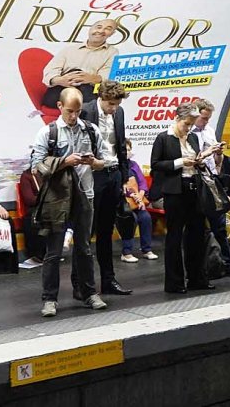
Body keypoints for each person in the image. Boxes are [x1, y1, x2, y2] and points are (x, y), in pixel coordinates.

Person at [29, 88, 111, 317]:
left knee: (84, 249)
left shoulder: (91, 130)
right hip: (58, 198)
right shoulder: (48, 132)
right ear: (59, 106)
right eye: (69, 111)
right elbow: (37, 166)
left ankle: (88, 293)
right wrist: (65, 162)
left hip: (86, 194)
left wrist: (95, 162)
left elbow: (105, 160)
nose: (74, 116)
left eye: (77, 111)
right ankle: (49, 299)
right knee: (53, 252)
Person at [149, 101, 216, 293]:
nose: (188, 128)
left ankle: (197, 278)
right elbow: (155, 164)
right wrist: (179, 162)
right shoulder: (164, 138)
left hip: (194, 188)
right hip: (174, 191)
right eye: (186, 124)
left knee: (196, 235)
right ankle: (174, 282)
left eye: (191, 124)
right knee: (175, 237)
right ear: (177, 119)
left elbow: (196, 162)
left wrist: (201, 160)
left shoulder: (193, 138)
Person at [78, 80, 133, 296]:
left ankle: (108, 281)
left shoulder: (119, 113)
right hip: (92, 175)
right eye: (110, 104)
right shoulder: (85, 111)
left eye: (117, 104)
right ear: (100, 98)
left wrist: (125, 176)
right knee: (85, 233)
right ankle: (82, 285)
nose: (113, 109)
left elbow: (120, 145)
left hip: (113, 174)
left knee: (106, 231)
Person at [188, 99, 230, 277]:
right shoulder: (188, 133)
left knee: (219, 226)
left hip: (211, 179)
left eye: (208, 118)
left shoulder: (209, 131)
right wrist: (206, 153)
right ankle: (199, 268)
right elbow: (192, 159)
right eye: (203, 118)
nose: (205, 122)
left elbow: (215, 162)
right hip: (195, 180)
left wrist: (218, 154)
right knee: (196, 227)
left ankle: (227, 264)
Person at [41, 19, 118, 109]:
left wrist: (91, 78)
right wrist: (61, 80)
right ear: (90, 29)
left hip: (88, 93)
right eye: (98, 27)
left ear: (112, 33)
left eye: (108, 29)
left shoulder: (112, 53)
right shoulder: (69, 49)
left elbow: (108, 78)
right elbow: (49, 72)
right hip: (61, 91)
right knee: (74, 72)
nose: (101, 31)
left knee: (85, 85)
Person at [117, 139, 155, 262]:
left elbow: (142, 182)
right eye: (125, 150)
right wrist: (128, 193)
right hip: (122, 203)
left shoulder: (133, 164)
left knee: (146, 217)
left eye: (129, 150)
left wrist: (140, 194)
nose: (127, 152)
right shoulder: (115, 166)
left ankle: (146, 250)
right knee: (130, 218)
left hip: (137, 201)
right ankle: (126, 252)